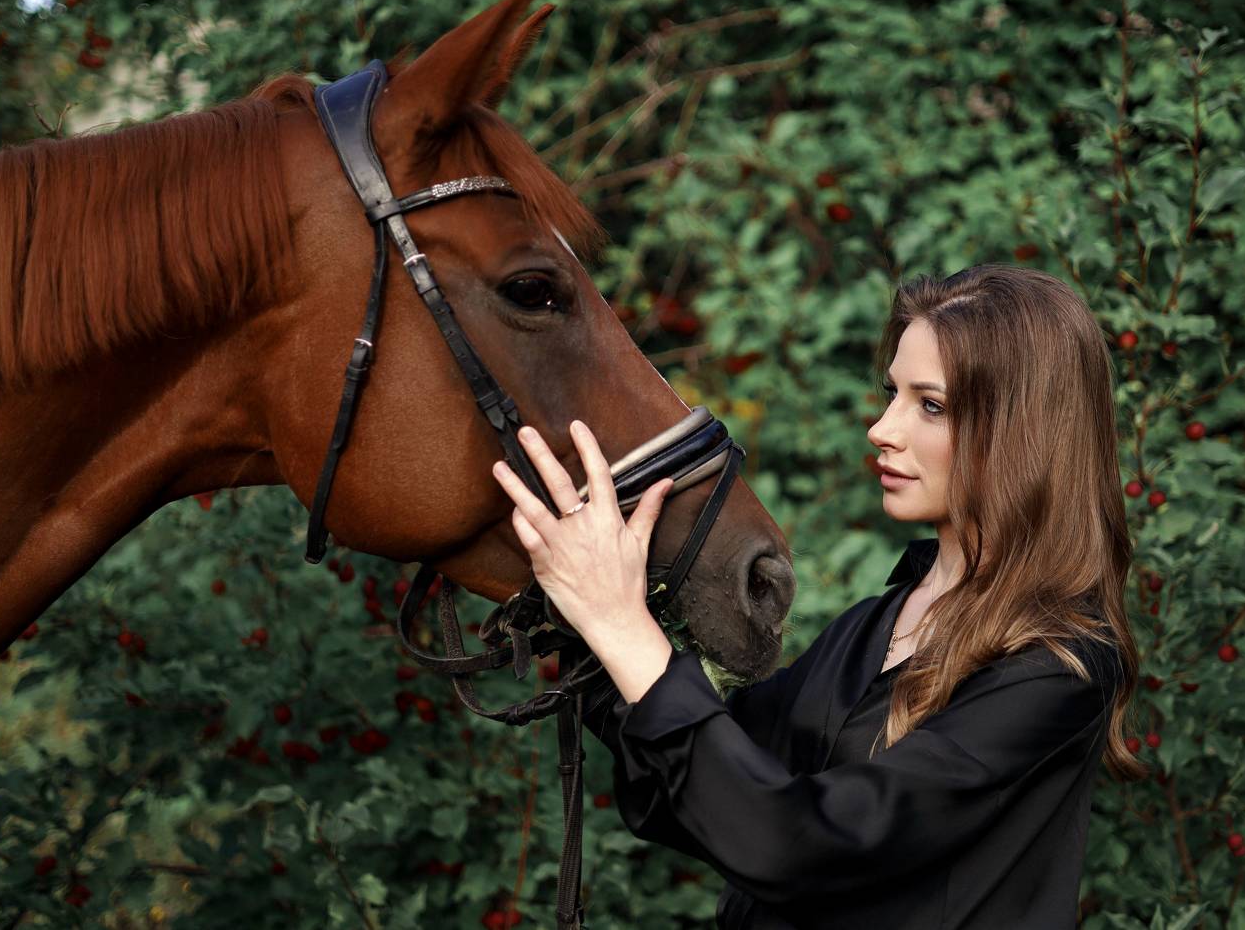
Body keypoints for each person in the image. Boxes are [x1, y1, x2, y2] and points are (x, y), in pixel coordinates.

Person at [490, 264, 1145, 929]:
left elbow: (795, 844)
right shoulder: (878, 622)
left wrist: (620, 624)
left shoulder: (1058, 666)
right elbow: (710, 788)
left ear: (1024, 431)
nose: (882, 429)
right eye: (892, 393)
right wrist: (583, 604)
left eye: (931, 405)